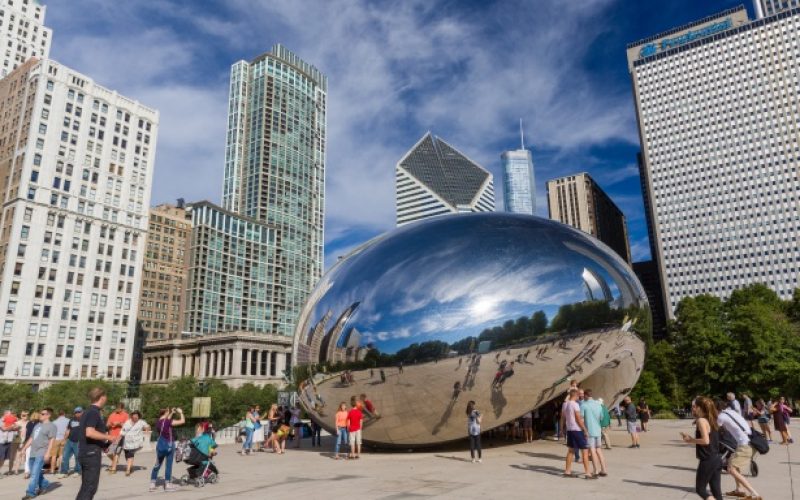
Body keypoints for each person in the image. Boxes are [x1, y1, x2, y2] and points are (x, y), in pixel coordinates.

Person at [716, 400, 761, 500]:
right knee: (734, 465)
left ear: (716, 409)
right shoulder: (732, 412)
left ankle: (755, 494)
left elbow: (714, 429)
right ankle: (739, 490)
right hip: (749, 442)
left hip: (744, 446)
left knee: (731, 469)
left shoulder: (721, 416)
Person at [681, 397, 722, 500]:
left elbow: (705, 441)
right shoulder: (711, 419)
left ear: (700, 408)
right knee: (716, 490)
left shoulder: (701, 420)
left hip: (708, 459)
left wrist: (691, 440)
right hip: (716, 458)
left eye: (694, 406)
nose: (692, 409)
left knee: (701, 489)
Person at [77, 388, 115, 500]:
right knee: (90, 488)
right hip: (91, 454)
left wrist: (103, 445)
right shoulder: (94, 412)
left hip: (86, 451)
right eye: (105, 397)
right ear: (102, 397)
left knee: (86, 487)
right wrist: (109, 437)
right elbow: (90, 432)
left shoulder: (87, 412)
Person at [20, 407, 56, 499]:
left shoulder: (52, 426)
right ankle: (45, 484)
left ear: (48, 415)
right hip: (33, 452)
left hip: (41, 452)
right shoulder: (37, 425)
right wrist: (24, 449)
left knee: (35, 474)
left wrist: (48, 453)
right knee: (34, 472)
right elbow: (31, 438)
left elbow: (52, 440)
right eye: (40, 413)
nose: (40, 415)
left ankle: (30, 493)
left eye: (43, 414)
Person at [149, 407, 185, 492]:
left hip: (160, 445)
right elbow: (182, 421)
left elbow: (165, 420)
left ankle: (152, 484)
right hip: (169, 445)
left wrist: (171, 413)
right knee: (168, 465)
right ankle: (167, 484)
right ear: (166, 413)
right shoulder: (168, 422)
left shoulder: (158, 422)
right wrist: (181, 412)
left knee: (157, 464)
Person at [561, 388, 593, 479]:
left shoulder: (565, 404)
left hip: (569, 430)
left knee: (571, 451)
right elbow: (578, 419)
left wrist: (561, 429)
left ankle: (567, 471)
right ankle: (588, 473)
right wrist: (585, 430)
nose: (579, 397)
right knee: (585, 451)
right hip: (577, 430)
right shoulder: (575, 405)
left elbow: (562, 418)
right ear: (575, 395)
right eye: (578, 395)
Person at [580, 389, 608, 477]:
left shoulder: (584, 405)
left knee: (592, 450)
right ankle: (604, 469)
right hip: (598, 430)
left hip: (589, 431)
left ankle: (596, 470)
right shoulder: (599, 405)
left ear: (585, 395)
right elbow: (601, 417)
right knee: (599, 450)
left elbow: (581, 418)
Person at [120, 411, 149, 477]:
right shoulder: (127, 422)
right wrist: (119, 437)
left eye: (137, 415)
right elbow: (123, 430)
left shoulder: (141, 422)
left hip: (135, 442)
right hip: (127, 442)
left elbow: (147, 426)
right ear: (132, 416)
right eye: (134, 415)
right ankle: (130, 466)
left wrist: (146, 429)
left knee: (130, 454)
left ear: (139, 416)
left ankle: (128, 470)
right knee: (127, 455)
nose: (135, 416)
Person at [58, 407, 83, 478]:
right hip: (69, 441)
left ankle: (77, 471)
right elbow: (68, 430)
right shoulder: (71, 420)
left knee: (77, 457)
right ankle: (64, 472)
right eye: (76, 412)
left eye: (79, 412)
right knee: (65, 456)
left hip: (78, 442)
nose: (77, 413)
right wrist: (64, 440)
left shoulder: (85, 420)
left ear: (82, 412)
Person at [105, 402, 128, 474]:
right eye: (116, 408)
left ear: (122, 408)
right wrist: (109, 425)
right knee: (108, 452)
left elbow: (128, 426)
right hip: (111, 436)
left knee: (116, 452)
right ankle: (114, 462)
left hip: (120, 436)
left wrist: (119, 423)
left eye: (118, 408)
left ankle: (113, 468)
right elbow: (107, 425)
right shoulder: (112, 415)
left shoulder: (126, 415)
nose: (117, 409)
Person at [0, 409, 20, 475]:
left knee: (6, 458)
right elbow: (4, 429)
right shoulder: (1, 420)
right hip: (2, 442)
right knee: (1, 458)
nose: (11, 416)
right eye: (9, 414)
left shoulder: (12, 420)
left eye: (11, 414)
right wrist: (11, 427)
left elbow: (17, 427)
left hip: (9, 441)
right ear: (5, 414)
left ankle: (9, 470)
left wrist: (12, 426)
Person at [50, 410, 69, 475]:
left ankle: (52, 470)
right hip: (64, 439)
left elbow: (51, 432)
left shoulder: (54, 422)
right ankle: (60, 469)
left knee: (53, 456)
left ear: (58, 414)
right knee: (61, 455)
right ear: (64, 414)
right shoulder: (68, 421)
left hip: (56, 439)